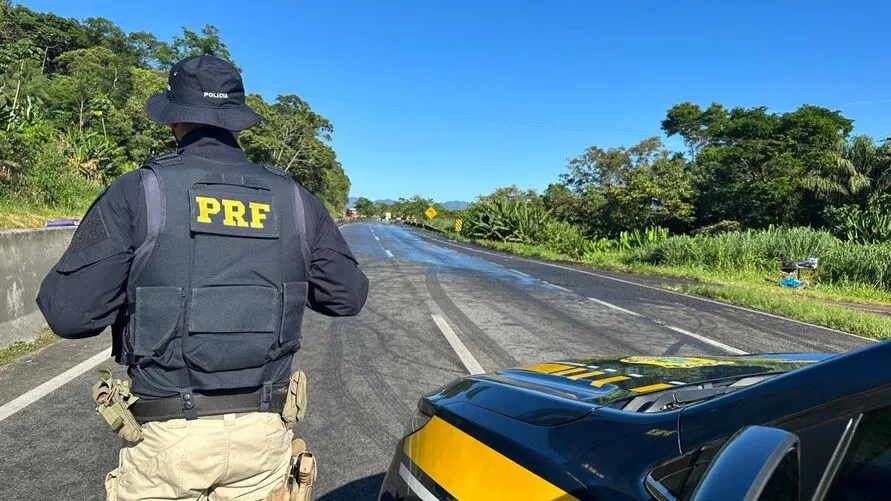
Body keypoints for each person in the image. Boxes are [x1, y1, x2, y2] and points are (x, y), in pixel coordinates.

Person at [36, 55, 369, 501]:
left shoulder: (141, 191)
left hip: (167, 437)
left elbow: (70, 316)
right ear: (236, 121)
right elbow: (346, 296)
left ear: (174, 119)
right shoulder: (295, 200)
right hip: (265, 436)